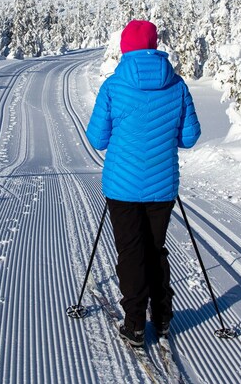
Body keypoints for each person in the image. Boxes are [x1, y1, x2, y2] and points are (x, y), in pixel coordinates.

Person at [86, 19, 201, 347]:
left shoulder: (113, 85)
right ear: (154, 45)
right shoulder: (177, 85)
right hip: (162, 186)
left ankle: (135, 323)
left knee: (131, 251)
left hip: (122, 187)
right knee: (155, 249)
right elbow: (190, 137)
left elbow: (97, 138)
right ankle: (163, 318)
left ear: (125, 47)